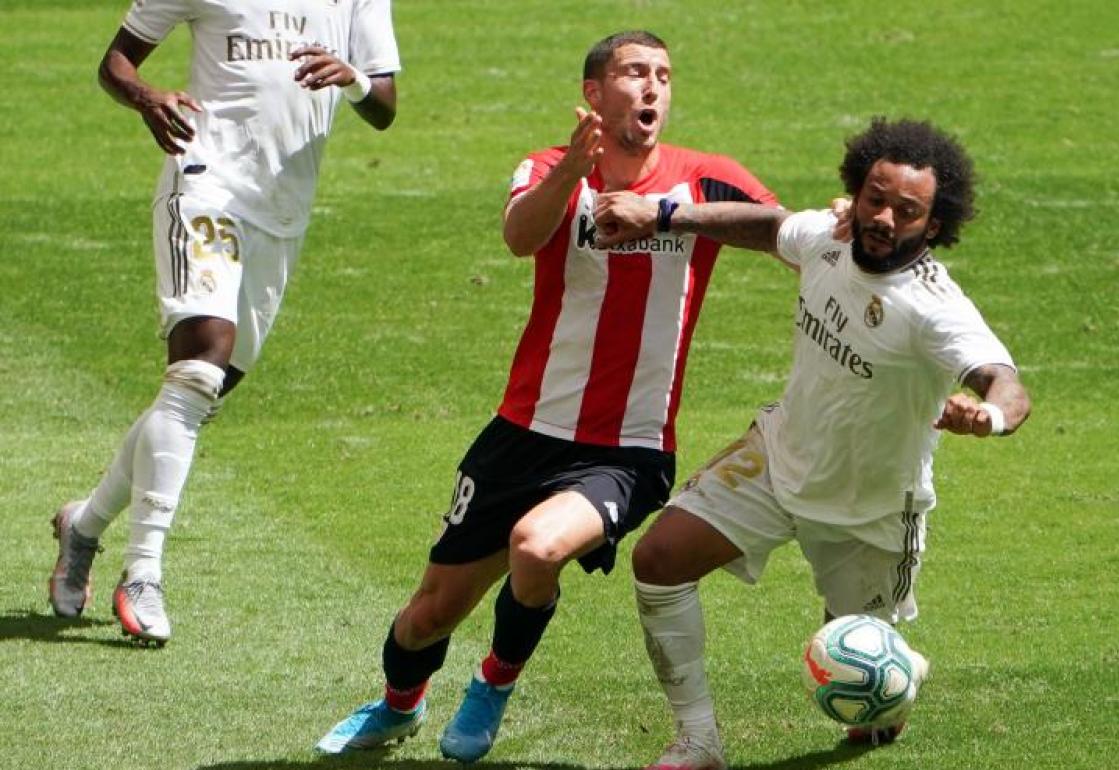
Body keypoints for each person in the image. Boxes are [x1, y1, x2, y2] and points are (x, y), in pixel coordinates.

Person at [315, 30, 780, 761]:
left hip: (627, 448)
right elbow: (520, 236)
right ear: (596, 93)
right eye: (634, 73)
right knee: (426, 617)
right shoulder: (549, 167)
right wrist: (576, 170)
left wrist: (668, 217)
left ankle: (493, 684)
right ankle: (398, 706)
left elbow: (784, 231)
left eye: (663, 74)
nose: (652, 87)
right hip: (523, 432)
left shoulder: (703, 179)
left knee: (538, 549)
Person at [592, 116, 1032, 770]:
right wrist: (663, 216)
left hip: (871, 509)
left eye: (905, 211)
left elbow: (1005, 381)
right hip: (776, 460)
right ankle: (698, 740)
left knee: (869, 704)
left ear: (932, 227)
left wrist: (989, 418)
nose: (883, 217)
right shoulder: (828, 236)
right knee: (657, 560)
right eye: (875, 198)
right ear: (856, 190)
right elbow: (768, 227)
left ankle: (892, 668)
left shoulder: (934, 308)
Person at [46, 0, 400, 646]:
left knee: (200, 393)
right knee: (199, 367)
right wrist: (147, 98)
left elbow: (383, 104)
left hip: (282, 211)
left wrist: (349, 77)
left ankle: (85, 525)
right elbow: (115, 63)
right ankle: (143, 572)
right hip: (205, 183)